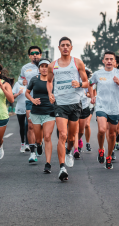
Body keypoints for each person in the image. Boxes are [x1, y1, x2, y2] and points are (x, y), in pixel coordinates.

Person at [47, 36, 90, 181]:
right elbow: (49, 81)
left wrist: (79, 84)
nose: (65, 47)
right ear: (59, 48)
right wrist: (50, 94)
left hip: (75, 103)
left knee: (72, 138)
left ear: (71, 47)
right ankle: (62, 167)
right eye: (62, 45)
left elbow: (86, 83)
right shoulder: (52, 65)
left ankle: (69, 151)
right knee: (63, 135)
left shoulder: (77, 62)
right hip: (60, 103)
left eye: (67, 45)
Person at [90, 51, 119, 169]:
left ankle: (108, 157)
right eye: (106, 59)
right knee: (102, 130)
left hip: (115, 107)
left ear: (115, 62)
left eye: (111, 59)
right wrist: (92, 96)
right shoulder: (97, 74)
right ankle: (101, 149)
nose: (109, 61)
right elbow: (90, 83)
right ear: (103, 61)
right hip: (101, 105)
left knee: (112, 134)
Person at [25, 59, 55, 173]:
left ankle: (48, 164)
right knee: (38, 139)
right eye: (42, 66)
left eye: (46, 66)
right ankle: (39, 144)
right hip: (36, 112)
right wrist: (32, 100)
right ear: (39, 69)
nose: (44, 68)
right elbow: (27, 92)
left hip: (49, 112)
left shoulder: (53, 80)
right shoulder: (34, 79)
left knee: (47, 136)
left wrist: (54, 98)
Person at [18, 46, 42, 152]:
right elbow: (20, 79)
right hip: (30, 98)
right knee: (30, 124)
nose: (35, 55)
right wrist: (22, 82)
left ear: (40, 55)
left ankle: (39, 143)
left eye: (37, 53)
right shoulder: (25, 68)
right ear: (29, 56)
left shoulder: (46, 65)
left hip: (44, 99)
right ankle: (32, 151)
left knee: (41, 125)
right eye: (32, 53)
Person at [77, 68, 93, 157]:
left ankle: (83, 141)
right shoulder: (75, 80)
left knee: (84, 127)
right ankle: (76, 147)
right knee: (75, 127)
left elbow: (92, 94)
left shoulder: (88, 82)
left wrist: (86, 94)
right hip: (75, 106)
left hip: (87, 106)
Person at [12, 81, 28, 152]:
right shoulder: (17, 84)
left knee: (28, 125)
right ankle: (22, 144)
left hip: (29, 107)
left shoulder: (31, 82)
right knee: (22, 126)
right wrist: (18, 93)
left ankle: (28, 144)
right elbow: (12, 96)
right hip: (20, 108)